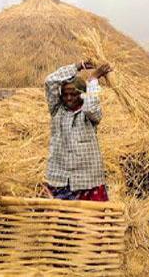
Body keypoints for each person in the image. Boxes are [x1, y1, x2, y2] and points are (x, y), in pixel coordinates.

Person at [44, 60, 112, 201]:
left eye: (74, 94)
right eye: (65, 94)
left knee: (89, 220)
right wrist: (77, 66)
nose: (69, 98)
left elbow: (91, 108)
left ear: (82, 95)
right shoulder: (57, 110)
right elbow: (50, 80)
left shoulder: (89, 114)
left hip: (87, 180)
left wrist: (93, 79)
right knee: (61, 220)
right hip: (59, 177)